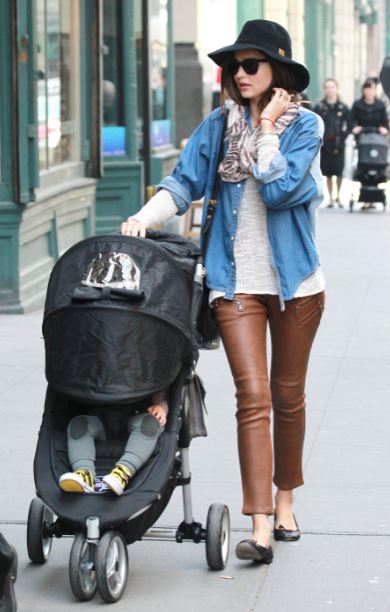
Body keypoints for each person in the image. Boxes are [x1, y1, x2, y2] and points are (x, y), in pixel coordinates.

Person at [121, 19, 325, 564]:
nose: (239, 73)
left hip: (296, 286)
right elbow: (183, 181)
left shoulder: (306, 127)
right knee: (253, 397)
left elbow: (280, 188)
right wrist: (142, 218)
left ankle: (285, 502)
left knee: (288, 396)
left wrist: (267, 129)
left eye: (251, 64)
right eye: (234, 65)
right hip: (232, 282)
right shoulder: (217, 126)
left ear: (278, 71)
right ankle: (258, 524)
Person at [59, 391, 168, 496]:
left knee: (150, 424)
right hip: (100, 418)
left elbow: (159, 389)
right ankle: (84, 473)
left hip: (136, 416)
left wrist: (160, 407)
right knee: (79, 424)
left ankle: (123, 472)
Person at [350, 77, 389, 209]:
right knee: (363, 164)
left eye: (372, 89)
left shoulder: (380, 105)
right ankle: (365, 195)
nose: (369, 92)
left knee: (377, 162)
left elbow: (385, 123)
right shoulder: (357, 105)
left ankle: (374, 196)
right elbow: (352, 121)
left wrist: (383, 129)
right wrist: (355, 128)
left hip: (377, 140)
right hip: (362, 140)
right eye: (367, 89)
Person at [314, 78, 350, 207]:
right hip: (325, 144)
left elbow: (349, 124)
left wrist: (344, 136)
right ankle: (330, 198)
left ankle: (339, 196)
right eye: (327, 87)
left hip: (339, 144)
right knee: (328, 172)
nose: (330, 90)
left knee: (339, 170)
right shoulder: (319, 107)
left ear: (337, 89)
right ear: (324, 90)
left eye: (332, 87)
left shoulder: (343, 107)